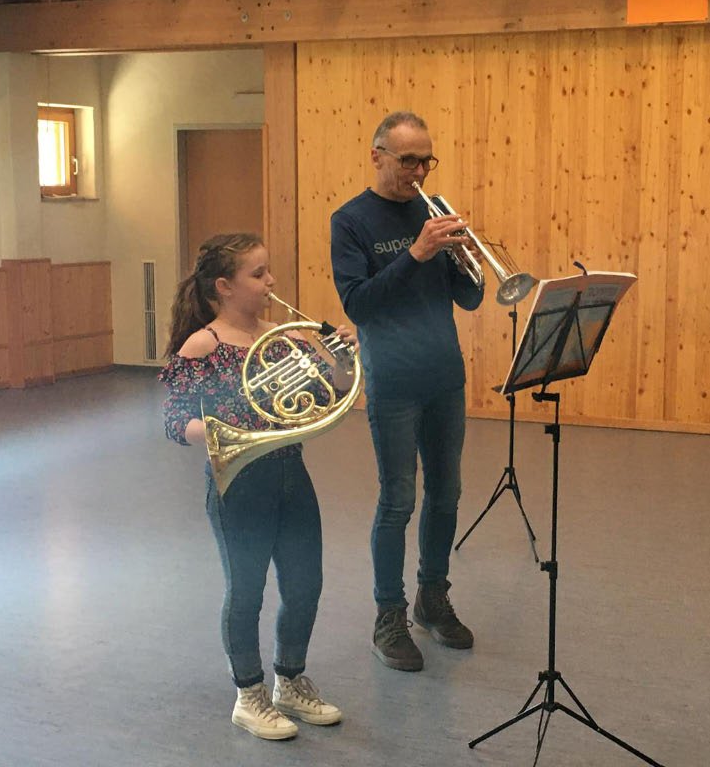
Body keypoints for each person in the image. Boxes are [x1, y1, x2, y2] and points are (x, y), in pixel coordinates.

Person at [159, 232, 355, 740]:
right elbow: (175, 420)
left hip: (292, 475)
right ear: (224, 287)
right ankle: (249, 694)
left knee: (305, 585)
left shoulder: (285, 338)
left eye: (268, 271)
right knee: (246, 591)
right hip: (238, 483)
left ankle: (289, 682)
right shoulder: (204, 344)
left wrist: (342, 360)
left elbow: (330, 394)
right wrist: (227, 435)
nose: (271, 281)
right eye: (258, 274)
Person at [330, 111, 484, 672]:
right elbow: (359, 305)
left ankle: (432, 597)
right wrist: (415, 253)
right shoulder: (350, 221)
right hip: (393, 379)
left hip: (444, 373)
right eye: (408, 160)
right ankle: (388, 616)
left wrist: (467, 263)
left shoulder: (432, 210)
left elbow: (469, 300)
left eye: (426, 161)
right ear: (377, 156)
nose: (418, 172)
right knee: (397, 500)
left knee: (447, 493)